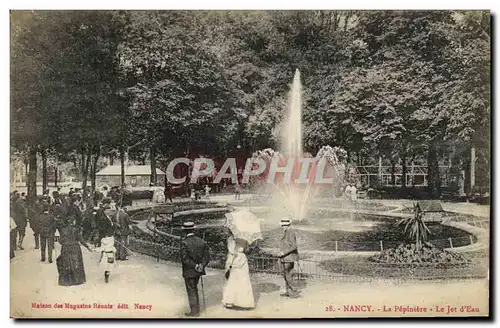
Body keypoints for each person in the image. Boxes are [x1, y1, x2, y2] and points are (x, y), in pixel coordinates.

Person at [180, 222, 210, 317]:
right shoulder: (201, 241)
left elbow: (185, 259)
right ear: (193, 230)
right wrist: (201, 265)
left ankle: (194, 311)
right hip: (199, 271)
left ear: (185, 231)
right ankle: (195, 309)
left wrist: (195, 265)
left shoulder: (184, 242)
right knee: (194, 288)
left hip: (190, 271)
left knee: (191, 290)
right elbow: (207, 257)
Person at [56, 216, 92, 286]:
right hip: (75, 247)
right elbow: (81, 240)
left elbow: (60, 241)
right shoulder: (76, 229)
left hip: (65, 248)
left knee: (66, 264)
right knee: (76, 263)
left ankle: (67, 280)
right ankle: (76, 279)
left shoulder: (63, 230)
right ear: (72, 221)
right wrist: (87, 247)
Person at [222, 234, 254, 309]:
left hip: (234, 259)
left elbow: (232, 251)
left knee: (232, 280)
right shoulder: (245, 237)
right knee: (243, 280)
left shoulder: (231, 238)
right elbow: (247, 250)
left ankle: (230, 301)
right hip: (243, 260)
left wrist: (229, 264)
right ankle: (245, 302)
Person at [277, 218, 300, 298]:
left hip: (289, 257)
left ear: (288, 225)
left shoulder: (291, 232)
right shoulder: (286, 232)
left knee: (287, 274)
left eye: (285, 225)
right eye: (283, 225)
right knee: (286, 273)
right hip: (286, 257)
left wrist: (283, 252)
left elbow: (294, 246)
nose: (283, 226)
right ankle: (289, 292)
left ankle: (294, 291)